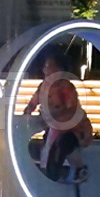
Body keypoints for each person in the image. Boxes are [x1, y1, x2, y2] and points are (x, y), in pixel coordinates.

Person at [23, 53, 93, 183]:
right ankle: (50, 175)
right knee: (46, 147)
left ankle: (78, 170)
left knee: (61, 146)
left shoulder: (66, 88)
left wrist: (52, 120)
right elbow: (33, 103)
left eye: (48, 66)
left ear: (59, 69)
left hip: (73, 131)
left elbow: (70, 113)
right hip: (53, 129)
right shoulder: (43, 87)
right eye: (45, 67)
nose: (45, 70)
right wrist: (27, 112)